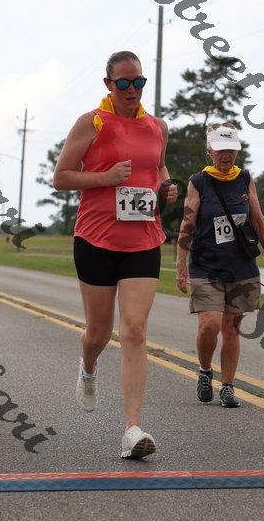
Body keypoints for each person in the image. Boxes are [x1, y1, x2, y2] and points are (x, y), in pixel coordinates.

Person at [54, 50, 177, 458]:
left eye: (138, 82)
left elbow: (158, 168)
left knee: (135, 330)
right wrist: (105, 178)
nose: (131, 89)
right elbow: (61, 177)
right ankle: (88, 367)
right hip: (96, 240)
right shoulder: (91, 123)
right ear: (109, 84)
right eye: (123, 82)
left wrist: (166, 186)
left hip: (143, 240)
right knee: (99, 333)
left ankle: (132, 430)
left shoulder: (157, 127)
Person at [176, 122, 264, 408]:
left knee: (232, 327)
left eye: (231, 150)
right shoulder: (198, 181)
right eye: (220, 150)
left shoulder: (244, 178)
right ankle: (205, 371)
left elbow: (258, 218)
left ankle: (228, 386)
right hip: (206, 265)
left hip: (241, 266)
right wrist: (181, 265)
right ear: (209, 151)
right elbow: (187, 224)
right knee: (209, 325)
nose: (226, 155)